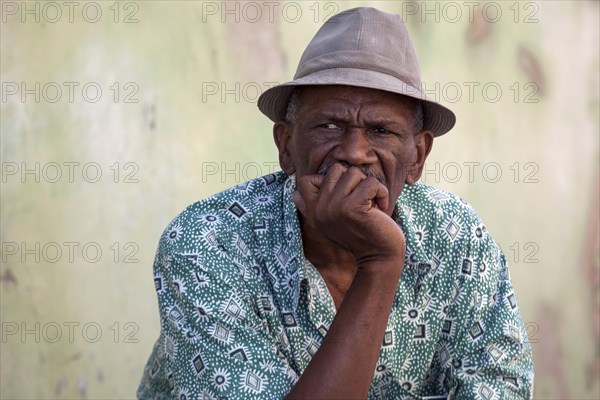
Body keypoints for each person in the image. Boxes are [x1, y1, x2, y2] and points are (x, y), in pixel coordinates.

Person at [137, 7, 534, 399]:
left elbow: (504, 387)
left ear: (417, 157)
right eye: (330, 126)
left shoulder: (456, 235)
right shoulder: (208, 243)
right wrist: (380, 264)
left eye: (380, 130)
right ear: (286, 145)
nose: (354, 152)